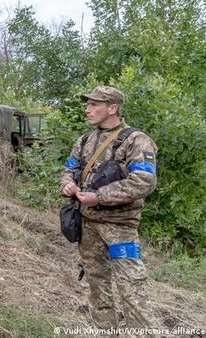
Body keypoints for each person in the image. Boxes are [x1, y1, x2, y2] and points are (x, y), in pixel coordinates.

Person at [58, 86, 158, 329]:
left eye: (94, 104)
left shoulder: (136, 140)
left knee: (132, 289)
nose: (87, 109)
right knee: (96, 284)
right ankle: (105, 330)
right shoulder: (84, 140)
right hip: (88, 225)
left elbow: (144, 181)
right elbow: (67, 169)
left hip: (120, 227)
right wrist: (68, 184)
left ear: (112, 108)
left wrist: (98, 196)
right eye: (87, 104)